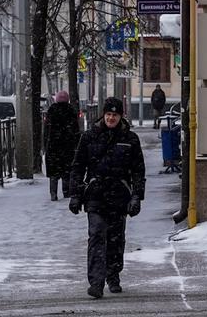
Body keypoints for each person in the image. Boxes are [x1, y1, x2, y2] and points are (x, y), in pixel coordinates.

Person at [68, 97, 146, 299]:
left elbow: (138, 171)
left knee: (115, 239)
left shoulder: (130, 139)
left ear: (121, 116)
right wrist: (75, 194)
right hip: (95, 195)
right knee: (96, 236)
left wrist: (137, 196)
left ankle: (113, 274)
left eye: (115, 115)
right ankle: (96, 282)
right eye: (108, 114)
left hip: (119, 196)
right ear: (103, 115)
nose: (111, 118)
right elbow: (78, 167)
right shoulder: (89, 137)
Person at [44, 90, 79, 201]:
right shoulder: (71, 110)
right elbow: (76, 130)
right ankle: (66, 192)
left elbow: (46, 129)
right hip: (68, 146)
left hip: (53, 146)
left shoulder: (52, 110)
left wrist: (46, 143)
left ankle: (53, 194)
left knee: (53, 173)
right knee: (66, 171)